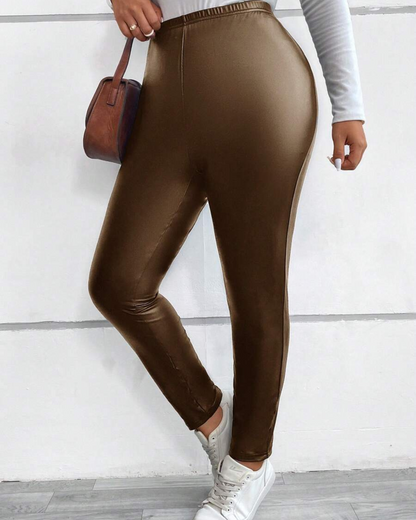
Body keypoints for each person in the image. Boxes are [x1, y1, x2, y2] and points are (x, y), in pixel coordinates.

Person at [89, 0, 368, 517]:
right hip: (166, 85)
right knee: (117, 285)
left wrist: (347, 105)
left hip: (259, 79)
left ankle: (249, 463)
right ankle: (218, 426)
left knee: (255, 292)